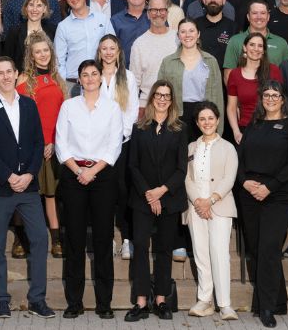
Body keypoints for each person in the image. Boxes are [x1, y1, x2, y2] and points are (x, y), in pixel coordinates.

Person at [0, 56, 55, 320]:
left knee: (40, 239)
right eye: (0, 73)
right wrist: (8, 176)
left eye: (9, 71)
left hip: (28, 187)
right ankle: (1, 299)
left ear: (17, 73)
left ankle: (37, 299)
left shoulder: (29, 105)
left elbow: (38, 142)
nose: (6, 76)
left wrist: (30, 173)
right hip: (0, 187)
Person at [54, 60, 124, 320]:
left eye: (94, 74)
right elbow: (61, 143)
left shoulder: (112, 107)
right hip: (74, 176)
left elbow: (114, 144)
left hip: (103, 176)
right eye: (85, 74)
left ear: (100, 77)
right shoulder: (69, 106)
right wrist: (79, 171)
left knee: (103, 240)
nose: (91, 78)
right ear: (80, 80)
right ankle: (75, 302)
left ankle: (104, 303)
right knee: (74, 240)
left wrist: (93, 171)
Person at [238, 81, 288, 328]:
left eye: (275, 95)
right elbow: (240, 158)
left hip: (278, 195)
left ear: (283, 99)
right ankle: (278, 300)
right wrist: (244, 182)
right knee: (257, 249)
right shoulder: (253, 125)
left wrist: (270, 187)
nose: (270, 98)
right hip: (250, 193)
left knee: (269, 247)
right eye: (266, 94)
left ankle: (265, 307)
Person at [125, 79, 187, 322]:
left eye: (166, 95)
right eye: (158, 95)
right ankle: (141, 301)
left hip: (169, 198)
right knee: (141, 246)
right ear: (152, 98)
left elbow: (181, 169)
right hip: (142, 199)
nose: (162, 99)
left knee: (164, 249)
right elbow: (133, 165)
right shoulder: (139, 127)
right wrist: (149, 194)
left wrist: (161, 191)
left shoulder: (180, 129)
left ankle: (161, 299)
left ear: (172, 101)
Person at [185, 101, 239, 321]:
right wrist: (198, 202)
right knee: (201, 254)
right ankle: (204, 300)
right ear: (197, 123)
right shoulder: (191, 148)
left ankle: (225, 304)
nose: (206, 122)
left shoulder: (228, 148)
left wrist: (211, 201)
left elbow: (229, 178)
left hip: (220, 206)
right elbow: (187, 178)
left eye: (210, 118)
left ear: (217, 120)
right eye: (202, 119)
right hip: (196, 207)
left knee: (219, 254)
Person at [16, 32, 67, 258]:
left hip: (52, 147)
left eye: (46, 50)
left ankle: (56, 239)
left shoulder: (59, 80)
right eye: (38, 52)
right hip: (30, 146)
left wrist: (53, 142)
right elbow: (21, 116)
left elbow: (62, 117)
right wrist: (37, 143)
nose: (43, 54)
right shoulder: (23, 81)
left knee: (51, 194)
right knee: (26, 193)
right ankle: (20, 238)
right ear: (31, 55)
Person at [95, 34, 140, 259]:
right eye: (104, 48)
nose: (108, 52)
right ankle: (108, 239)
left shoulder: (128, 77)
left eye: (112, 48)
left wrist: (121, 134)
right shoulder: (93, 75)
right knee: (104, 193)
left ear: (119, 51)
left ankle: (127, 238)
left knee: (124, 190)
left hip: (123, 143)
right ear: (99, 52)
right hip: (97, 145)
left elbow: (132, 110)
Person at [158, 18, 224, 138]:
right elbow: (159, 96)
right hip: (176, 117)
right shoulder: (168, 62)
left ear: (198, 34)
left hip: (204, 118)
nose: (187, 35)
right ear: (178, 36)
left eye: (191, 31)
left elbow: (218, 97)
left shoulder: (210, 61)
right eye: (183, 32)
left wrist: (218, 130)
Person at [225, 32, 284, 143]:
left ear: (264, 50)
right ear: (245, 47)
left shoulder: (274, 71)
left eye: (260, 46)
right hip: (245, 130)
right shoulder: (235, 74)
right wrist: (236, 132)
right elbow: (231, 107)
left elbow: (281, 102)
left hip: (271, 129)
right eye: (252, 45)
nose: (256, 49)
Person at [54, 0, 115, 81]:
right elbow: (58, 61)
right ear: (67, 0)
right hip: (73, 82)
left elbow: (113, 49)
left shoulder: (103, 19)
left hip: (101, 80)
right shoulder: (63, 27)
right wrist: (63, 85)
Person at [128, 0, 179, 111]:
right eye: (154, 10)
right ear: (148, 14)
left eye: (162, 10)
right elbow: (134, 81)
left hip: (175, 105)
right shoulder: (139, 44)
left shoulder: (178, 39)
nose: (158, 13)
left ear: (167, 13)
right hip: (147, 105)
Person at [193, 0, 237, 69]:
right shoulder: (194, 26)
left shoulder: (233, 28)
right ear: (204, 0)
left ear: (223, 0)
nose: (213, 0)